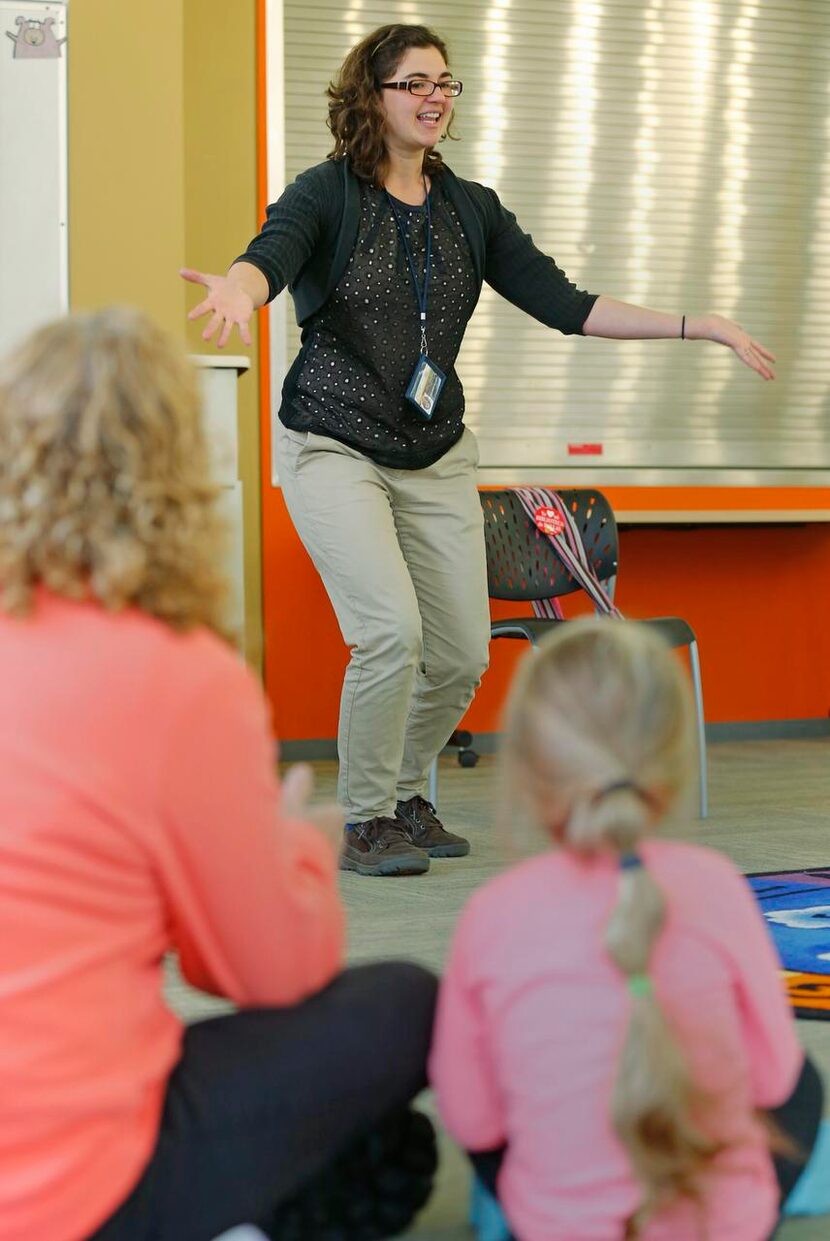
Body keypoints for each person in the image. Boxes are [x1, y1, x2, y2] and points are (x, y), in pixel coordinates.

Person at [181, 23, 776, 878]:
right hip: (333, 443)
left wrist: (699, 326)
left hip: (436, 450)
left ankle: (408, 793)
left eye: (445, 84)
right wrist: (240, 290)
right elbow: (268, 256)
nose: (433, 98)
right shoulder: (327, 195)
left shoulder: (470, 209)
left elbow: (566, 303)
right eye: (415, 82)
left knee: (459, 649)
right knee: (389, 632)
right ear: (372, 97)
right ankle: (368, 816)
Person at [0, 308, 437, 1241]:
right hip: (76, 1185)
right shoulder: (187, 677)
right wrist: (297, 852)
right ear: (176, 468)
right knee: (406, 1001)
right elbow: (260, 970)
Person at [429, 619, 823, 1241]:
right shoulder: (717, 886)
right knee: (804, 1082)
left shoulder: (494, 912)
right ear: (670, 763)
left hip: (555, 1226)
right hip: (727, 1225)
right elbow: (774, 1079)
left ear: (529, 771)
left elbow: (473, 1121)